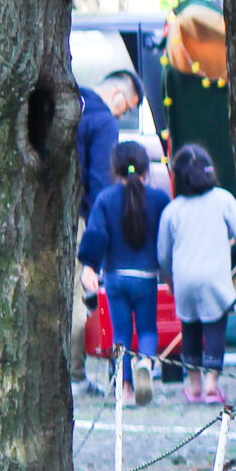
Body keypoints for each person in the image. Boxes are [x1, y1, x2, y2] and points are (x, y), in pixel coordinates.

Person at [78, 138, 169, 404]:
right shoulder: (159, 199)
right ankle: (146, 365)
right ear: (146, 169)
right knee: (148, 330)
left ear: (115, 169)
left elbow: (95, 234)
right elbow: (167, 238)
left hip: (115, 277)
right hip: (147, 277)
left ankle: (126, 388)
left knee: (121, 334)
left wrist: (89, 266)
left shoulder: (105, 200)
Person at [158, 143, 236, 405]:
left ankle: (194, 386)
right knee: (215, 326)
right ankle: (211, 386)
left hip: (184, 278)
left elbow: (163, 253)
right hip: (215, 276)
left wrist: (169, 277)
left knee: (190, 327)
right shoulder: (222, 199)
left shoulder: (173, 210)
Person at [74, 70, 141, 219]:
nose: (122, 116)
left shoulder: (68, 100)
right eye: (128, 109)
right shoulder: (105, 122)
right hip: (74, 216)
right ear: (117, 93)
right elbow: (101, 179)